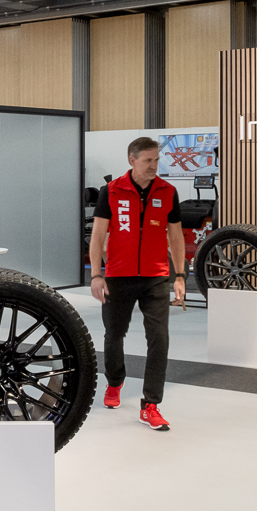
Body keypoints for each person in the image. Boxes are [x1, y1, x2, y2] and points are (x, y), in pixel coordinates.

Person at [89, 135, 185, 432]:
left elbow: (176, 236)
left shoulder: (168, 192)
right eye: (148, 160)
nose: (154, 166)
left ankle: (151, 404)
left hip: (156, 277)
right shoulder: (111, 191)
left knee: (159, 339)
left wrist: (179, 275)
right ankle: (115, 382)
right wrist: (96, 274)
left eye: (156, 160)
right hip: (118, 276)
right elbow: (98, 235)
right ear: (132, 160)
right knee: (114, 333)